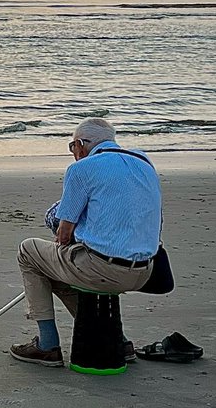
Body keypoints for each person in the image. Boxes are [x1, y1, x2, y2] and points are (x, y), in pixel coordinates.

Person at [9, 117, 162, 367]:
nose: (73, 153)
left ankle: (47, 345)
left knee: (29, 251)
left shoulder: (82, 169)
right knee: (62, 269)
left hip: (104, 270)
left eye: (72, 147)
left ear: (81, 144)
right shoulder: (143, 161)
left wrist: (64, 240)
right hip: (146, 270)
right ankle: (118, 341)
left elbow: (64, 232)